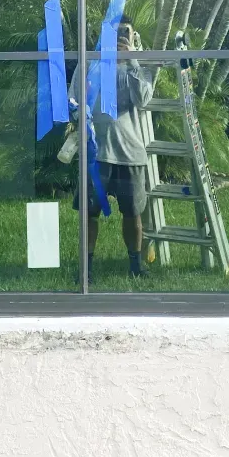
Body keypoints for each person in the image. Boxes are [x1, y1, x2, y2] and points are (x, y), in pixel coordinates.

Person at [70, 17, 155, 279]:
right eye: (114, 32)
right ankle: (86, 269)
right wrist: (80, 117)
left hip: (130, 151)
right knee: (90, 213)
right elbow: (73, 99)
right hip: (96, 152)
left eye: (124, 32)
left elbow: (142, 99)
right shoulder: (90, 62)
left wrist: (131, 60)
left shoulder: (140, 63)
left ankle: (135, 266)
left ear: (133, 35)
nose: (119, 37)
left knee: (133, 213)